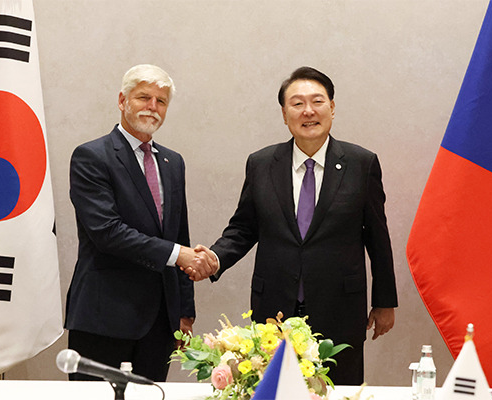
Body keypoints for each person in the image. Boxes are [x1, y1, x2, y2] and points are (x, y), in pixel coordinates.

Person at [187, 66, 398, 385]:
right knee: (272, 388)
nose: (308, 111)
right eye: (297, 103)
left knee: (337, 389)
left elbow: (378, 238)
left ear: (332, 107)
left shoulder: (361, 164)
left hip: (339, 308)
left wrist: (384, 301)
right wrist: (215, 258)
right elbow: (243, 228)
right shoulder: (261, 164)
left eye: (317, 101)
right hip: (274, 307)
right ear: (284, 113)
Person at [65, 64, 213, 382]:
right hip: (103, 319)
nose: (152, 107)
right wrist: (179, 255)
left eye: (161, 101)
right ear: (122, 101)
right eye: (143, 97)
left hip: (160, 323)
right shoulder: (91, 157)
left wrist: (184, 311)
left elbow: (179, 235)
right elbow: (107, 232)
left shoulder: (173, 163)